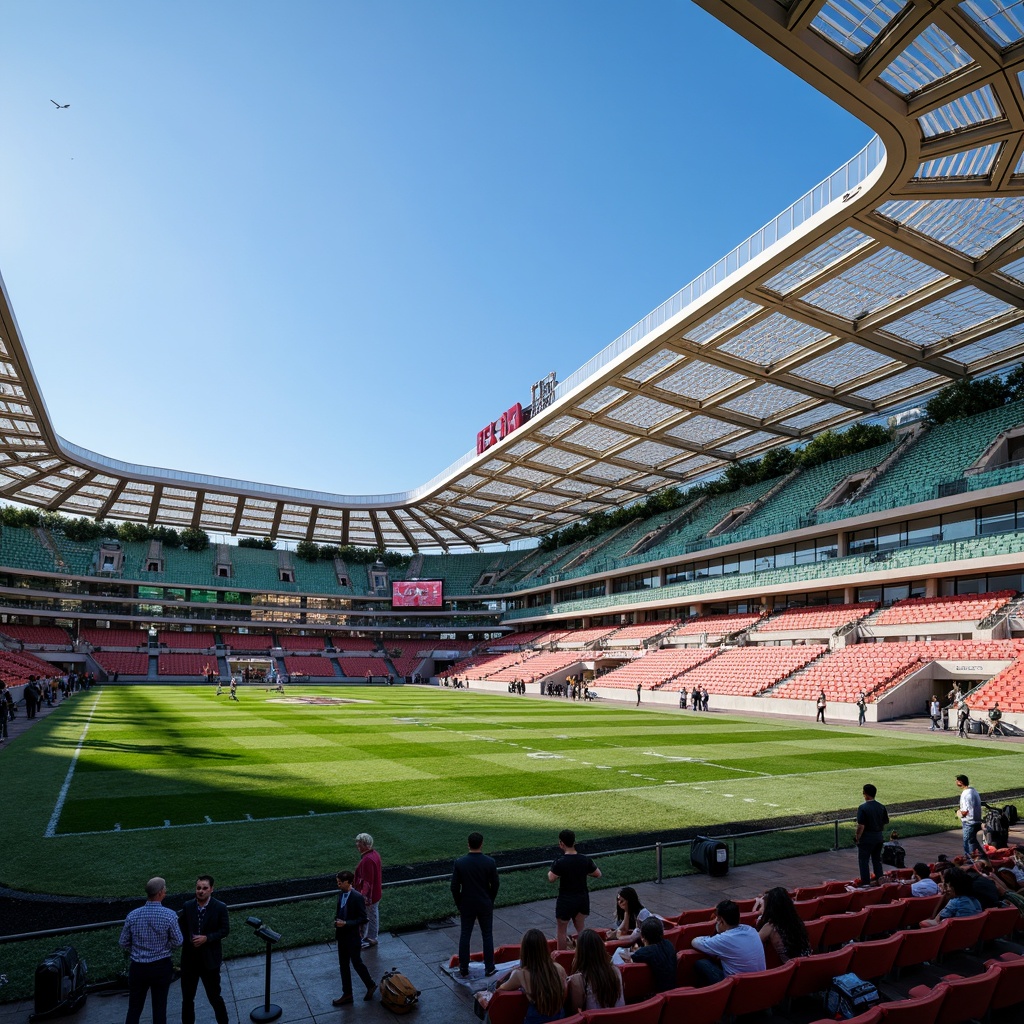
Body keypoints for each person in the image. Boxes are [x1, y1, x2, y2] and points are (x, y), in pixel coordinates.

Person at [118, 876, 183, 1024]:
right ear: (160, 892)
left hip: (138, 968)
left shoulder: (133, 915)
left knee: (134, 1008)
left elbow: (123, 942)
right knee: (159, 1008)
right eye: (165, 889)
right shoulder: (169, 915)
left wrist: (137, 950)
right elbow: (178, 941)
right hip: (160, 968)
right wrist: (165, 947)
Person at [178, 875, 230, 1024]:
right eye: (198, 888)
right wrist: (188, 939)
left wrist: (207, 938)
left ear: (211, 889)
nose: (201, 891)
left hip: (210, 961)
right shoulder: (188, 906)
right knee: (187, 999)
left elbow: (225, 930)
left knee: (215, 997)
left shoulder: (220, 907)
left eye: (204, 888)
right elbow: (181, 926)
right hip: (190, 961)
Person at [450, 831, 499, 978]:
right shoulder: (489, 862)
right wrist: (490, 900)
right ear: (481, 844)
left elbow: (454, 887)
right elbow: (495, 884)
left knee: (465, 934)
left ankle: (463, 967)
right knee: (487, 935)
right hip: (484, 902)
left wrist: (460, 903)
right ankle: (489, 967)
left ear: (468, 844)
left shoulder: (460, 863)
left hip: (467, 903)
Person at [496, 928, 567, 1024]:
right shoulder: (559, 968)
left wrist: (512, 973)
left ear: (524, 950)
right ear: (544, 948)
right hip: (560, 1017)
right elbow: (564, 993)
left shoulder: (521, 974)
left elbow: (500, 990)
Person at [548, 829, 601, 950]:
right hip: (582, 899)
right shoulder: (584, 859)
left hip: (565, 900)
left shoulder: (560, 861)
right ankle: (586, 954)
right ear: (574, 842)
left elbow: (551, 878)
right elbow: (598, 874)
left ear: (561, 843)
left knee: (561, 932)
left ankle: (561, 960)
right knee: (581, 930)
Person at [691, 900, 765, 986]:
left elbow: (695, 942)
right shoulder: (751, 930)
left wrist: (714, 934)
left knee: (702, 963)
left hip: (737, 986)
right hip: (759, 982)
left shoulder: (724, 939)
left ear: (721, 920)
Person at [332, 870, 376, 1005]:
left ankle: (370, 985)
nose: (338, 885)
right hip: (342, 937)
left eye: (340, 882)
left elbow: (363, 919)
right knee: (343, 965)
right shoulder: (341, 894)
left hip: (352, 937)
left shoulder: (357, 897)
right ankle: (347, 994)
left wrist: (346, 923)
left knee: (357, 963)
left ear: (348, 882)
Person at [566, 929, 624, 1012]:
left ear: (580, 953)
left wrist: (574, 965)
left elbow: (575, 1012)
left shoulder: (578, 980)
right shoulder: (616, 971)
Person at [752, 887, 810, 964]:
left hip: (790, 968)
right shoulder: (796, 921)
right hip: (806, 962)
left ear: (770, 907)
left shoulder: (771, 926)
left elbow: (753, 944)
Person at [621, 917, 677, 992]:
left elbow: (630, 958)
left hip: (658, 992)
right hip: (673, 988)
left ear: (642, 937)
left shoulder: (645, 952)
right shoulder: (668, 944)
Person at [855, 783, 889, 886]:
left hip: (867, 838)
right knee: (877, 860)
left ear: (865, 794)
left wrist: (857, 838)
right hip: (878, 836)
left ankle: (866, 883)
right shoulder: (881, 807)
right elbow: (885, 822)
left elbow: (861, 826)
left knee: (863, 861)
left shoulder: (863, 807)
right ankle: (880, 881)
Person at [354, 832, 382, 949]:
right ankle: (371, 937)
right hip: (375, 893)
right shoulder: (374, 854)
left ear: (366, 845)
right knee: (373, 914)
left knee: (367, 916)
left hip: (369, 896)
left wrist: (364, 898)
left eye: (359, 844)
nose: (357, 846)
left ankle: (370, 938)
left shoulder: (367, 860)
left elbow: (367, 882)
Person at [956, 774, 990, 862]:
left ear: (961, 782)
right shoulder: (973, 790)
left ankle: (970, 860)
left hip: (969, 822)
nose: (956, 782)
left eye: (957, 781)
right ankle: (983, 856)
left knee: (967, 843)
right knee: (973, 841)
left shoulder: (965, 794)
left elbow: (965, 812)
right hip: (976, 820)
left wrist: (958, 813)